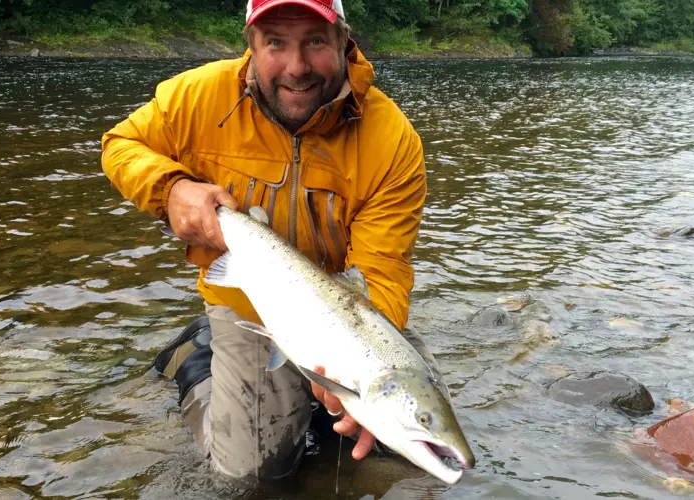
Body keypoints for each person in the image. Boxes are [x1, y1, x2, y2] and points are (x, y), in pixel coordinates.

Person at [99, 0, 450, 481]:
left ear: (345, 42)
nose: (297, 66)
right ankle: (196, 362)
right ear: (251, 45)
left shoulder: (390, 139)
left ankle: (319, 400)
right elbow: (121, 145)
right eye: (276, 43)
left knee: (410, 457)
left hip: (343, 308)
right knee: (252, 477)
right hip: (244, 303)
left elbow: (382, 272)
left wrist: (353, 372)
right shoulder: (198, 97)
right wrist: (172, 188)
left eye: (315, 42)